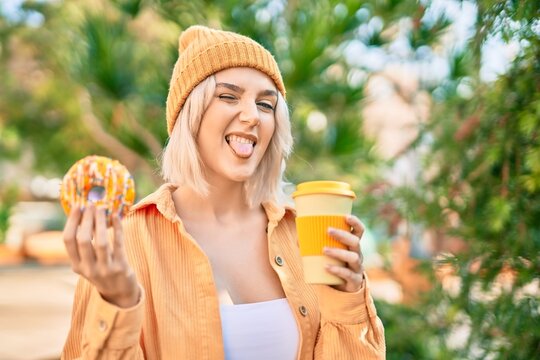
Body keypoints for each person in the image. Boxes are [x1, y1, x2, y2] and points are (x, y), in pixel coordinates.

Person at [61, 25, 386, 359]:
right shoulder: (128, 240)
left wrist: (348, 298)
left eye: (266, 104)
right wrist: (119, 303)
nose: (252, 116)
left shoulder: (302, 234)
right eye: (228, 96)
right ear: (190, 114)